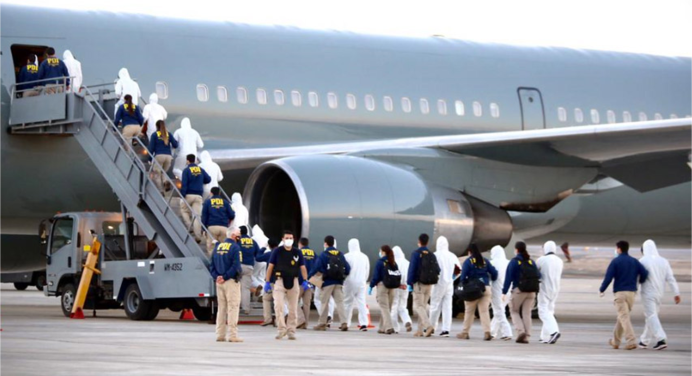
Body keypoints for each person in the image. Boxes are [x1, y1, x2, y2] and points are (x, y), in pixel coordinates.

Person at [599, 240, 649, 350]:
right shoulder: (634, 261)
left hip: (620, 293)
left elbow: (608, 277)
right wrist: (640, 281)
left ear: (619, 249)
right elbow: (645, 273)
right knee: (622, 317)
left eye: (617, 248)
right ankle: (615, 341)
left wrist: (602, 289)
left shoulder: (616, 261)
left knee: (624, 317)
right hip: (631, 293)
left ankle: (631, 341)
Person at [264, 231, 309, 340]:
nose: (289, 240)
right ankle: (281, 329)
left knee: (293, 308)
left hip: (294, 281)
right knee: (278, 305)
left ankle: (291, 331)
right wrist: (267, 281)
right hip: (279, 281)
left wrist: (305, 280)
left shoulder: (297, 252)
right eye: (287, 238)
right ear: (283, 239)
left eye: (291, 238)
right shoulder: (277, 252)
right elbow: (270, 267)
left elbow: (302, 267)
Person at [638, 239, 681, 350]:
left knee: (651, 315)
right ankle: (644, 340)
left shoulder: (642, 261)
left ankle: (661, 339)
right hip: (659, 293)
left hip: (648, 293)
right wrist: (676, 293)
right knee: (652, 316)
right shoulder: (664, 261)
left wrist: (633, 291)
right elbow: (670, 278)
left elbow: (638, 278)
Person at [503, 241, 541, 344]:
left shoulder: (514, 261)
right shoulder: (531, 261)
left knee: (514, 311)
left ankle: (521, 332)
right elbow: (539, 275)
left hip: (519, 291)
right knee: (526, 313)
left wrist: (504, 291)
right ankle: (527, 336)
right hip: (532, 292)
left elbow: (508, 278)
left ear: (516, 250)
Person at [209, 228, 242, 343]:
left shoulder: (218, 247)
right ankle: (233, 335)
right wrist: (226, 276)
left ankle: (220, 334)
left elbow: (211, 265)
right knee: (233, 307)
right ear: (233, 235)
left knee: (222, 308)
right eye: (238, 234)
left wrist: (217, 276)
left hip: (219, 283)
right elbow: (236, 266)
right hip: (230, 282)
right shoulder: (235, 248)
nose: (240, 236)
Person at [310, 235, 350, 331]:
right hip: (339, 282)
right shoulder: (340, 254)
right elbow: (347, 269)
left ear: (325, 243)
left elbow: (317, 267)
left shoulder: (324, 254)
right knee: (340, 303)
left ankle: (322, 324)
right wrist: (342, 277)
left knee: (324, 303)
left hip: (327, 282)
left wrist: (308, 276)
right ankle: (344, 323)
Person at [458, 243, 497, 341]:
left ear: (469, 252)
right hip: (485, 287)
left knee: (469, 311)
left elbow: (463, 277)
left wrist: (464, 285)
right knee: (484, 311)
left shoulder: (468, 261)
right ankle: (487, 332)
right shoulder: (485, 261)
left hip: (473, 289)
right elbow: (494, 273)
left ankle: (465, 332)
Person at [407, 233, 440, 338]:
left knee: (419, 306)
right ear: (427, 242)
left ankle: (428, 326)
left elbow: (412, 269)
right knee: (423, 307)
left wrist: (410, 283)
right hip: (429, 284)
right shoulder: (431, 254)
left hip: (419, 284)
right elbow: (438, 270)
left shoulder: (416, 254)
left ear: (419, 241)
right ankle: (419, 331)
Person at [429, 236, 461, 338]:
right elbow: (459, 270)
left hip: (438, 284)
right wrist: (452, 278)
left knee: (434, 306)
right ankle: (446, 329)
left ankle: (431, 327)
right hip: (449, 285)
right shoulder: (452, 256)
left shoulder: (435, 255)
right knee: (447, 307)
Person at [537, 241, 564, 344]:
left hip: (544, 287)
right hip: (556, 288)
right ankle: (545, 336)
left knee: (543, 311)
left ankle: (554, 332)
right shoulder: (559, 261)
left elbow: (536, 272)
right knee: (549, 311)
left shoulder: (542, 260)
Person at [369, 245, 400, 334]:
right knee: (387, 308)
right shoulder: (393, 262)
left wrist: (371, 285)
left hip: (382, 287)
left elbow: (376, 276)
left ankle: (389, 327)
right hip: (392, 288)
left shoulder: (380, 262)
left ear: (383, 252)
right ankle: (382, 327)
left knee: (384, 308)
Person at [180, 154, 211, 242]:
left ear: (188, 161)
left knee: (184, 210)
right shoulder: (200, 169)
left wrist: (182, 194)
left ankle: (189, 226)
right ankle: (198, 236)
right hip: (198, 196)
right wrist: (201, 180)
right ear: (195, 160)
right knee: (197, 216)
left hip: (188, 194)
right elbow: (208, 179)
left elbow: (184, 184)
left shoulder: (186, 170)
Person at [343, 238, 370, 331]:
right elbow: (367, 271)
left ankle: (346, 323)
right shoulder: (364, 257)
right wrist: (364, 280)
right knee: (362, 303)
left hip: (349, 283)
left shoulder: (346, 256)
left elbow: (344, 270)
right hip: (361, 283)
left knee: (347, 303)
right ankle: (364, 323)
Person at [201, 187, 235, 254]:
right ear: (219, 193)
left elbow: (204, 216)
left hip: (212, 227)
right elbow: (232, 215)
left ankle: (213, 263)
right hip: (224, 228)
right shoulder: (225, 202)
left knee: (211, 248)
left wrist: (203, 228)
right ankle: (222, 263)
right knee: (223, 248)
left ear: (211, 193)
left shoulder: (208, 202)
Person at [489, 245, 512, 341]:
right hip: (508, 291)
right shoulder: (509, 263)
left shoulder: (492, 263)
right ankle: (492, 332)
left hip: (496, 291)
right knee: (499, 311)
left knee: (499, 311)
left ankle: (507, 332)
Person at [148, 120, 178, 192]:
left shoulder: (154, 135)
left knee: (157, 174)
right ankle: (165, 182)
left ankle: (160, 190)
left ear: (156, 126)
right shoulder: (168, 134)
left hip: (159, 156)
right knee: (163, 172)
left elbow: (151, 148)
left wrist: (149, 158)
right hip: (168, 157)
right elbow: (175, 145)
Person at [390, 246, 413, 334]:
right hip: (405, 287)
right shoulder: (407, 263)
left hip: (396, 287)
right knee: (403, 306)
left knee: (394, 307)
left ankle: (395, 327)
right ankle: (407, 321)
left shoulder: (393, 263)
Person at [257, 237, 278, 327]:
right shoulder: (282, 253)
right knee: (279, 301)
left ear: (269, 246)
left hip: (271, 281)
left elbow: (258, 258)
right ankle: (278, 320)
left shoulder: (269, 254)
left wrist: (263, 248)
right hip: (281, 281)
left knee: (266, 299)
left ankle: (268, 319)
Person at [238, 226, 258, 315]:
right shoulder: (253, 242)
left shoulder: (237, 241)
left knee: (236, 287)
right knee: (245, 288)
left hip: (238, 266)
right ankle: (246, 308)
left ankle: (236, 306)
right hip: (249, 266)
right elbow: (258, 253)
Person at [297, 237, 316, 329]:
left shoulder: (298, 252)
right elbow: (317, 266)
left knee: (293, 301)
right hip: (310, 283)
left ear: (300, 244)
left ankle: (301, 320)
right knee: (307, 304)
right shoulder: (313, 253)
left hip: (300, 281)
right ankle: (305, 323)